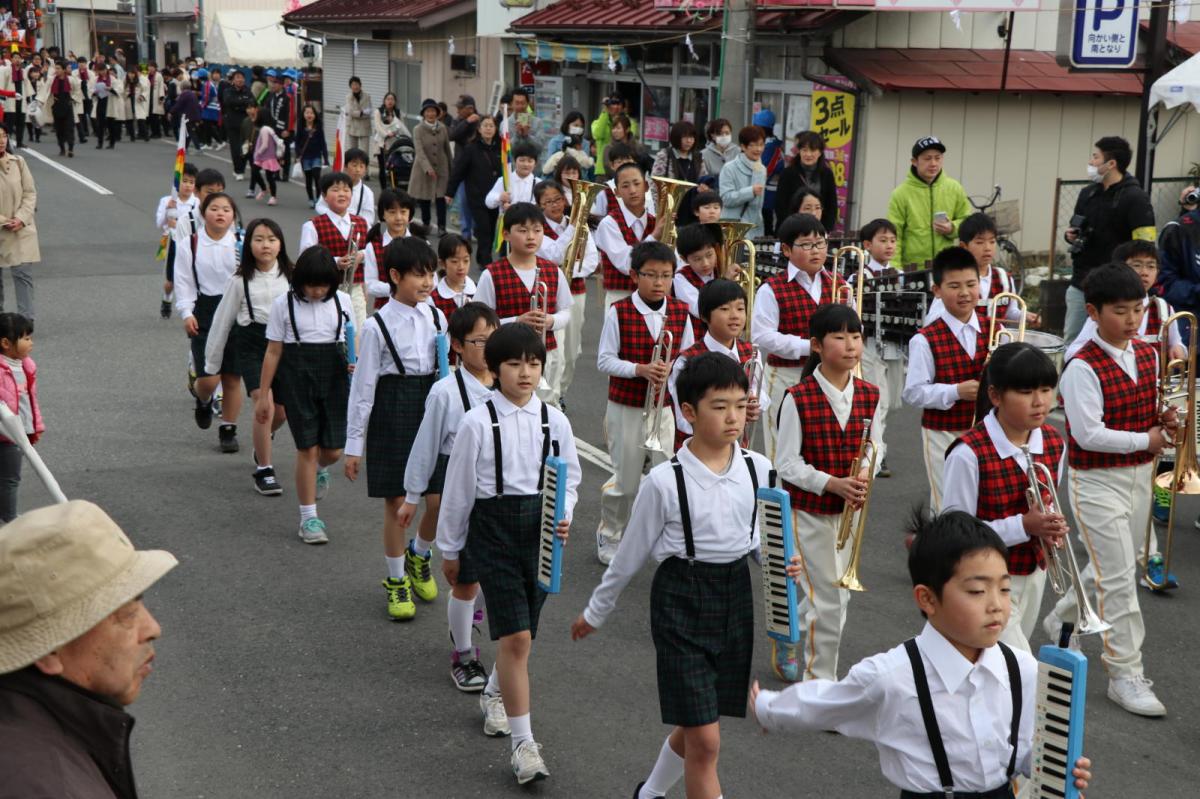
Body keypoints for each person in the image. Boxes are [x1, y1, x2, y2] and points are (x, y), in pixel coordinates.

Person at [751, 511, 1093, 799]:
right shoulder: (892, 676)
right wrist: (768, 708)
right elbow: (825, 702)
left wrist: (1055, 769)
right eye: (977, 591)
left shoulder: (1022, 669)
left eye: (1004, 588)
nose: (997, 605)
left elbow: (1024, 748)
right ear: (927, 599)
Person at [573, 352, 769, 799]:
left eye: (740, 406)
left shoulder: (758, 468)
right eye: (720, 407)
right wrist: (596, 611)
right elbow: (629, 556)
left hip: (735, 597)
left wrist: (781, 566)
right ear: (689, 412)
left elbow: (757, 537)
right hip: (681, 598)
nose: (733, 417)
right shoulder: (663, 481)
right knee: (706, 740)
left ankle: (649, 794)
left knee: (698, 721)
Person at [436, 322, 580, 786]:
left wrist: (564, 513)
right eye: (514, 364)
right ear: (495, 369)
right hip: (492, 531)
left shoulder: (555, 421)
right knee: (515, 638)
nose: (525, 372)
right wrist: (450, 549)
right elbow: (458, 492)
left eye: (533, 363)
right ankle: (524, 745)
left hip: (540, 534)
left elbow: (571, 479)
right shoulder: (476, 422)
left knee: (525, 635)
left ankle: (494, 693)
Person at [1043, 263, 1173, 717]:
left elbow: (1149, 411)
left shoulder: (1149, 353)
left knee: (1111, 566)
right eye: (1121, 311)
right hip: (1097, 481)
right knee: (1119, 579)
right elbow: (1088, 434)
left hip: (1141, 475)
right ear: (1094, 313)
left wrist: (1165, 420)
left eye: (1138, 309)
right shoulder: (1081, 366)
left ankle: (1062, 617)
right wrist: (1146, 440)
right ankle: (1124, 673)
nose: (1133, 319)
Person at [0, 501, 178, 799]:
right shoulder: (47, 785)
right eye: (125, 613)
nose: (153, 628)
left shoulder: (31, 731)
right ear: (48, 650)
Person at [775, 304, 882, 683]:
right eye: (839, 337)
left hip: (849, 513)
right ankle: (819, 684)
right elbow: (786, 463)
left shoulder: (870, 394)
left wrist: (866, 470)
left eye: (856, 336)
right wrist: (833, 483)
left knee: (835, 596)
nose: (851, 345)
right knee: (830, 600)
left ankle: (792, 634)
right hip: (808, 513)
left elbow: (875, 445)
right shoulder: (797, 397)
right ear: (817, 345)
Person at [345, 237, 448, 620]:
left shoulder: (437, 317)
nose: (427, 282)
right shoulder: (376, 326)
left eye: (431, 274)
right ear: (394, 276)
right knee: (397, 502)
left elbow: (446, 371)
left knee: (438, 500)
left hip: (431, 408)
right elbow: (363, 388)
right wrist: (354, 444)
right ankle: (396, 579)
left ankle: (419, 553)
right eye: (418, 275)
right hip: (392, 411)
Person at [942, 342, 1067, 653]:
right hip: (984, 580)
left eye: (1046, 390)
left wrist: (1050, 526)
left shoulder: (1054, 442)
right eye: (1025, 392)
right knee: (1018, 663)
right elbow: (956, 535)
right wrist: (1024, 525)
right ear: (995, 396)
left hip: (1034, 572)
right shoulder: (968, 453)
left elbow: (1048, 501)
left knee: (995, 665)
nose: (1040, 401)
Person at [400, 302, 498, 688]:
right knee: (466, 579)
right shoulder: (445, 392)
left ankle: (468, 613)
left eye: (494, 340)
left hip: (499, 491)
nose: (488, 349)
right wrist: (412, 495)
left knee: (495, 576)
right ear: (456, 345)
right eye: (479, 341)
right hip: (456, 479)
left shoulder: (510, 386)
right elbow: (425, 446)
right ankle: (464, 655)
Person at [596, 240, 695, 565]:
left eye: (665, 275)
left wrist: (673, 370)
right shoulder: (619, 311)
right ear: (634, 275)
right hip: (626, 407)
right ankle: (611, 533)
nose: (658, 282)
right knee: (625, 482)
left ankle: (663, 536)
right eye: (650, 275)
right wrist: (640, 369)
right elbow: (604, 360)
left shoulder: (681, 311)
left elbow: (687, 357)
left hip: (663, 408)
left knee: (667, 477)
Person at [256, 246, 353, 544]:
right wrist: (264, 394)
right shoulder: (283, 304)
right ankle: (308, 518)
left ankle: (320, 470)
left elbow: (353, 341)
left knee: (333, 451)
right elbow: (273, 351)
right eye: (311, 285)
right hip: (297, 381)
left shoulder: (343, 301)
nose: (317, 291)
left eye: (323, 285)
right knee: (307, 449)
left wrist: (356, 363)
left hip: (336, 380)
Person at [203, 218, 291, 497]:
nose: (266, 245)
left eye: (272, 239)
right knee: (264, 405)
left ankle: (263, 438)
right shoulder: (239, 281)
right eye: (259, 239)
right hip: (252, 345)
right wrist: (212, 363)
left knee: (281, 412)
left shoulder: (291, 276)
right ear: (248, 244)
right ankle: (264, 470)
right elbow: (221, 322)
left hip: (284, 346)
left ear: (281, 245)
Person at [751, 213, 846, 460]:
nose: (816, 251)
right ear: (786, 249)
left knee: (821, 446)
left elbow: (853, 328)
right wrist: (809, 347)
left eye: (820, 243)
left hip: (829, 376)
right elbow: (762, 336)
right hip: (786, 375)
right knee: (782, 447)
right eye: (806, 245)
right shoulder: (771, 288)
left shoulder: (839, 284)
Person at [902, 246, 986, 514]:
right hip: (942, 432)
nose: (964, 293)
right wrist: (956, 391)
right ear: (937, 290)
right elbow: (913, 393)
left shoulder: (993, 327)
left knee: (982, 503)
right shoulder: (924, 339)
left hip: (987, 430)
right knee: (948, 503)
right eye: (954, 286)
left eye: (971, 284)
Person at [475, 202, 572, 407]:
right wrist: (516, 321)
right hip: (507, 356)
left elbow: (566, 311)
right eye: (522, 230)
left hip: (547, 353)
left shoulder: (554, 271)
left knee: (546, 408)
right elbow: (481, 322)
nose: (531, 237)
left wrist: (551, 320)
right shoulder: (491, 274)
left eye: (537, 230)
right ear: (506, 234)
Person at [1062, 136, 1157, 343]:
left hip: (1116, 288)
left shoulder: (1136, 198)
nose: (1091, 162)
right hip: (1081, 282)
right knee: (1073, 341)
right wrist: (1071, 235)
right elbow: (1078, 227)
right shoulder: (1088, 193)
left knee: (1114, 341)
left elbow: (1145, 246)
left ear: (1111, 163)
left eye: (1095, 157)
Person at [174, 192, 244, 452]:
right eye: (214, 208)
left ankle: (228, 429)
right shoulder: (190, 244)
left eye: (226, 209)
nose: (220, 213)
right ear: (204, 213)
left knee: (232, 377)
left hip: (237, 313)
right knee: (209, 380)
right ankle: (203, 400)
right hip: (204, 312)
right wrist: (186, 312)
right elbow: (183, 281)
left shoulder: (241, 243)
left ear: (233, 215)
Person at [667, 279, 764, 453]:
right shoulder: (686, 361)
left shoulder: (752, 352)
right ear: (704, 316)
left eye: (740, 309)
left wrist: (754, 405)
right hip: (698, 450)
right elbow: (682, 419)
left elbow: (760, 392)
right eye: (725, 309)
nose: (735, 316)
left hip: (739, 448)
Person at [535, 180, 597, 402]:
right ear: (540, 205)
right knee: (556, 353)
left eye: (558, 199)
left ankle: (561, 391)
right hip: (550, 296)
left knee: (571, 352)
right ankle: (550, 399)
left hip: (576, 292)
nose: (555, 205)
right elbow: (554, 254)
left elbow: (592, 260)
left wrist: (570, 270)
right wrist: (573, 228)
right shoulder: (538, 229)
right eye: (548, 202)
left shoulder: (580, 225)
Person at [922, 213, 1029, 327]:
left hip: (996, 337)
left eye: (992, 241)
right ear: (963, 246)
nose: (987, 248)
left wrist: (1024, 316)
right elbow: (932, 320)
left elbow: (1010, 312)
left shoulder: (1004, 278)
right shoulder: (954, 278)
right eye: (980, 242)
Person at [887, 136, 972, 269]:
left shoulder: (955, 188)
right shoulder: (900, 194)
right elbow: (894, 235)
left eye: (938, 158)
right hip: (913, 269)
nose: (933, 163)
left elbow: (968, 222)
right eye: (927, 158)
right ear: (914, 161)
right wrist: (895, 269)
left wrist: (952, 228)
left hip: (947, 266)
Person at [858, 218, 902, 475]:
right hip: (869, 345)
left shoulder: (900, 274)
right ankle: (876, 452)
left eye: (892, 241)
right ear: (867, 244)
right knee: (878, 400)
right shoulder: (859, 274)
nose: (889, 245)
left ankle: (874, 446)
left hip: (893, 344)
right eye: (883, 240)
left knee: (891, 400)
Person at [300, 171, 370, 330]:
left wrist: (361, 255)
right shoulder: (312, 225)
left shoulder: (362, 223)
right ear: (324, 196)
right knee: (330, 331)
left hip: (355, 289)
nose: (342, 194)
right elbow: (305, 260)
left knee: (358, 332)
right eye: (335, 190)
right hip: (324, 290)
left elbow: (372, 251)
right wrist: (335, 262)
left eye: (346, 190)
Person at [594, 163, 663, 310]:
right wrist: (654, 236)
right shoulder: (609, 223)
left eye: (637, 184)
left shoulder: (655, 222)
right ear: (617, 192)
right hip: (620, 297)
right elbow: (626, 264)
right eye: (625, 186)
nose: (632, 190)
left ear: (646, 187)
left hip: (653, 296)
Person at [446, 113, 501, 267]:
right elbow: (458, 171)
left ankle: (482, 255)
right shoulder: (471, 149)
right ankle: (485, 261)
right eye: (485, 126)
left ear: (496, 129)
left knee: (491, 229)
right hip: (477, 196)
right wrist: (450, 192)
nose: (488, 129)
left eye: (491, 126)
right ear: (479, 129)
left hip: (495, 197)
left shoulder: (501, 148)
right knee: (484, 228)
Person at [0, 312, 40, 522]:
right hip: (8, 435)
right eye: (25, 338)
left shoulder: (25, 365)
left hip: (18, 432)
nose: (30, 343)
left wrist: (33, 427)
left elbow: (28, 401)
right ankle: (9, 519)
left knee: (8, 477)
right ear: (6, 343)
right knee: (10, 478)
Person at [0, 124, 39, 322]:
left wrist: (21, 219)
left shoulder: (19, 162)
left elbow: (30, 193)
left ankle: (26, 322)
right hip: (2, 227)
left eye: (4, 136)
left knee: (23, 274)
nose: (1, 141)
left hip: (20, 228)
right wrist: (4, 221)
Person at [155, 161, 200, 319]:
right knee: (171, 281)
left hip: (192, 243)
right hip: (173, 242)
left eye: (191, 182)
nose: (188, 185)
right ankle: (167, 299)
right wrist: (168, 210)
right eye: (184, 181)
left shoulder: (197, 202)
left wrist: (179, 222)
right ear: (176, 183)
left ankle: (193, 307)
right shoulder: (167, 200)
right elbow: (159, 223)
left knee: (194, 277)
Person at [363, 189, 419, 304]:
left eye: (403, 212)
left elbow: (432, 281)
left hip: (417, 306)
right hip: (384, 308)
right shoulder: (373, 247)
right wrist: (400, 288)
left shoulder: (420, 244)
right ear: (383, 214)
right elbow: (370, 284)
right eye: (392, 212)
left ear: (410, 214)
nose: (398, 217)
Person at [775, 130, 838, 232]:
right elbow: (780, 206)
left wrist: (824, 231)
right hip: (791, 229)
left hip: (818, 230)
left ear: (820, 152)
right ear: (799, 151)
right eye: (804, 150)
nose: (808, 154)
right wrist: (792, 229)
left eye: (813, 150)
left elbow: (832, 206)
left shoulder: (827, 174)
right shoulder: (788, 173)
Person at [411, 98, 452, 235]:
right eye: (428, 111)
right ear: (423, 113)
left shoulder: (443, 128)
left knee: (441, 198)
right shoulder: (418, 129)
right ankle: (426, 223)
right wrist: (428, 168)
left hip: (441, 167)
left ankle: (442, 227)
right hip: (423, 168)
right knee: (425, 197)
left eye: (433, 111)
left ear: (437, 113)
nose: (431, 114)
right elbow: (419, 151)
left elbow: (447, 148)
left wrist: (451, 167)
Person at [719, 125, 767, 238]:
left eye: (761, 144)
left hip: (755, 228)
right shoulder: (729, 168)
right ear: (743, 147)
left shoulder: (762, 169)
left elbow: (758, 205)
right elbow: (726, 198)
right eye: (753, 145)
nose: (758, 149)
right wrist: (750, 191)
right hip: (734, 227)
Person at [672, 223, 720, 334]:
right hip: (697, 337)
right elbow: (700, 310)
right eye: (697, 259)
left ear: (716, 250)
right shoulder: (681, 278)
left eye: (709, 255)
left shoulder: (721, 269)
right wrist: (726, 283)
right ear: (684, 259)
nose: (705, 263)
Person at [430, 234, 476, 343]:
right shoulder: (433, 299)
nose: (461, 267)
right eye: (455, 261)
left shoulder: (478, 290)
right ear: (442, 263)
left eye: (466, 260)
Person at [753, 109, 785, 235]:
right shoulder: (774, 144)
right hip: (766, 192)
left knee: (767, 228)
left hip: (769, 195)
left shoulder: (771, 147)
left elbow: (766, 169)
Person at [592, 95, 639, 178]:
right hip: (603, 171)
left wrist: (622, 118)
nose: (615, 107)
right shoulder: (599, 122)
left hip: (627, 173)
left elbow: (630, 135)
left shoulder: (630, 122)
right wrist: (605, 112)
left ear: (623, 107)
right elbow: (597, 134)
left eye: (618, 104)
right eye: (612, 104)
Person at [486, 141, 538, 212]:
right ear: (515, 161)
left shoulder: (538, 183)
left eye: (530, 161)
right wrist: (499, 197)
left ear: (535, 164)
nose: (526, 164)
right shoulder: (504, 180)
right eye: (522, 160)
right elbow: (488, 202)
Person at [221, 69, 253, 180]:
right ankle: (238, 170)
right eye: (237, 78)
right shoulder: (228, 91)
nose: (240, 80)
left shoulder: (248, 90)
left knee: (245, 148)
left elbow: (252, 103)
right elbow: (229, 102)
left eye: (242, 78)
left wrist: (239, 104)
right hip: (232, 124)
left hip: (246, 124)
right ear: (233, 80)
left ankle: (241, 168)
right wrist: (243, 103)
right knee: (235, 148)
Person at [294, 103, 328, 208]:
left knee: (317, 177)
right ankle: (310, 199)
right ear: (303, 114)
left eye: (312, 113)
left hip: (316, 156)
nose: (309, 115)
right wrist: (298, 155)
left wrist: (326, 158)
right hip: (305, 158)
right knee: (308, 179)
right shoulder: (300, 127)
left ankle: (318, 199)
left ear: (315, 115)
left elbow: (323, 143)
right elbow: (297, 142)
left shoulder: (318, 127)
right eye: (307, 112)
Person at [373, 92, 409, 185]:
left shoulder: (398, 112)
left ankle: (394, 187)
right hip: (382, 143)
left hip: (395, 143)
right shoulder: (379, 111)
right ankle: (384, 188)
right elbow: (378, 126)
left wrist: (395, 133)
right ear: (384, 101)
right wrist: (386, 134)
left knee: (394, 166)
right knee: (382, 167)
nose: (390, 101)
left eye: (392, 99)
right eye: (388, 99)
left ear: (395, 101)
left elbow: (401, 126)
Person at [543, 111, 594, 176]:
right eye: (576, 125)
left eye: (581, 126)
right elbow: (550, 164)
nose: (578, 128)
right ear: (567, 125)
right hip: (557, 178)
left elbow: (586, 165)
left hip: (579, 178)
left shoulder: (585, 143)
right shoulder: (555, 141)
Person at [249, 109, 282, 206]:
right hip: (269, 156)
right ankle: (270, 194)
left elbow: (265, 145)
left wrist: (257, 153)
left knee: (259, 173)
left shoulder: (264, 129)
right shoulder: (270, 129)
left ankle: (269, 193)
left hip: (264, 156)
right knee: (268, 176)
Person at [506, 86, 545, 164]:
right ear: (511, 104)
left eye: (523, 103)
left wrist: (527, 136)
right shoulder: (505, 124)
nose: (520, 106)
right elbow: (507, 150)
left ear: (527, 103)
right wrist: (517, 135)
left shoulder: (537, 122)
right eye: (517, 103)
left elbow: (540, 148)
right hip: (514, 167)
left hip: (534, 167)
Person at [343, 76, 372, 178]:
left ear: (360, 85)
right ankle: (353, 170)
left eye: (357, 84)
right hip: (352, 126)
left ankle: (365, 172)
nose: (355, 86)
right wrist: (361, 113)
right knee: (353, 151)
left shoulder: (367, 96)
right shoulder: (348, 97)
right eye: (353, 85)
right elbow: (350, 111)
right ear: (350, 86)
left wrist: (359, 113)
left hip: (364, 126)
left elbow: (369, 111)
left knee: (365, 151)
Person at [701, 118, 737, 185]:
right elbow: (703, 178)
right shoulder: (704, 155)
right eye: (720, 134)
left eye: (727, 133)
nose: (724, 136)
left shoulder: (738, 151)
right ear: (713, 136)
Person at [49, 60, 74, 157]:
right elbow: (45, 91)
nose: (56, 70)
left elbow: (77, 90)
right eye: (56, 68)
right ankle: (62, 148)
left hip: (68, 106)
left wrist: (73, 98)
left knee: (69, 128)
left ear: (64, 70)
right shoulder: (52, 80)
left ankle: (70, 148)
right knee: (59, 129)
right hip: (56, 106)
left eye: (58, 68)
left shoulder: (71, 79)